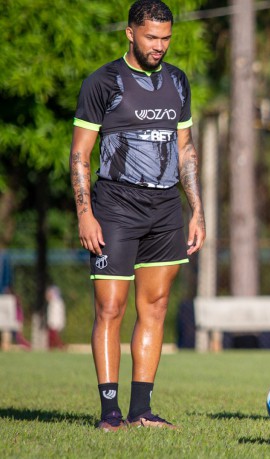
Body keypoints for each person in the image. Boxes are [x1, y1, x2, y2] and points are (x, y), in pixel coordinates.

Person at [69, 0, 205, 432]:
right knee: (111, 308)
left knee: (157, 306)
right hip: (114, 206)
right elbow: (79, 155)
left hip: (165, 208)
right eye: (151, 37)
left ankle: (141, 410)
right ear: (130, 33)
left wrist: (196, 209)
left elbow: (185, 150)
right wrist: (85, 213)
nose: (160, 46)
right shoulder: (103, 82)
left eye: (166, 38)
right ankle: (110, 413)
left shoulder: (178, 81)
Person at [46, 285, 66, 350]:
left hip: (55, 322)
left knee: (54, 336)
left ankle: (60, 346)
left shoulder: (57, 303)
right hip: (53, 322)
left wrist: (54, 323)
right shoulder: (52, 302)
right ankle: (55, 346)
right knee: (52, 336)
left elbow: (56, 314)